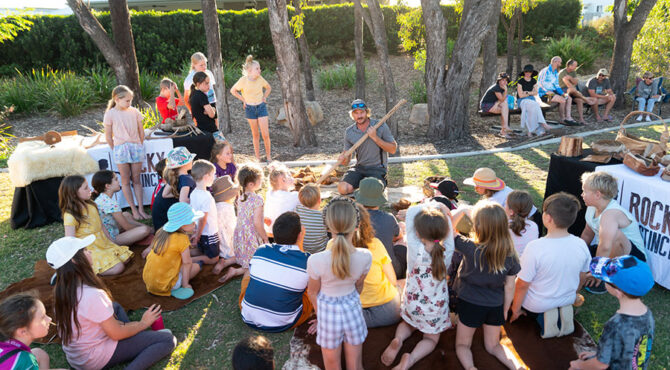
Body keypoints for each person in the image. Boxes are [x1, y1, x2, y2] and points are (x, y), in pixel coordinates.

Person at [48, 236, 176, 369]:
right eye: (85, 250)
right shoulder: (92, 295)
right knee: (167, 340)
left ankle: (133, 336)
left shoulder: (60, 291)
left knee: (116, 307)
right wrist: (143, 323)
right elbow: (116, 334)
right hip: (94, 358)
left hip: (77, 357)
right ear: (75, 261)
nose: (90, 252)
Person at [381, 202, 453, 370]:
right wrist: (444, 211)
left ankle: (398, 340)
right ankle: (411, 359)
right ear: (444, 232)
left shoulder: (414, 249)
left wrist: (433, 203)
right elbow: (449, 238)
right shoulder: (446, 253)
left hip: (413, 305)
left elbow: (412, 212)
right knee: (431, 339)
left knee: (407, 324)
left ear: (417, 232)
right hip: (434, 310)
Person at [510, 193, 591, 338]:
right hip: (567, 299)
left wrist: (515, 309)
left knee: (511, 283)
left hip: (536, 305)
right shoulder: (581, 244)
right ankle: (561, 311)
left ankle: (543, 317)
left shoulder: (535, 247)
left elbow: (522, 284)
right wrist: (572, 293)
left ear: (547, 218)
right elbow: (582, 276)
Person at [452, 202, 521, 370]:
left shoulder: (470, 247)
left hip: (470, 304)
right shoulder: (510, 254)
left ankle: (470, 367)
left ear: (477, 226)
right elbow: (510, 287)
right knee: (494, 346)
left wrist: (461, 210)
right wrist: (505, 309)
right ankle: (516, 367)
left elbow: (449, 231)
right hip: (495, 305)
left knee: (462, 345)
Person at [306, 197, 372, 370]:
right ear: (356, 226)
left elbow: (312, 292)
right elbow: (359, 286)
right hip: (352, 309)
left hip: (327, 313)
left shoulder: (315, 260)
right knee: (355, 365)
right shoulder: (366, 256)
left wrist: (321, 316)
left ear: (327, 227)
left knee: (332, 366)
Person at [569, 255, 655, 370]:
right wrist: (597, 355)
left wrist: (579, 365)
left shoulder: (615, 325)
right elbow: (628, 349)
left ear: (618, 292)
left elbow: (600, 365)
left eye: (605, 279)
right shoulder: (647, 314)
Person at [240, 212, 313, 332]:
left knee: (248, 275)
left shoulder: (261, 250)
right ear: (300, 235)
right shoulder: (308, 260)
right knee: (310, 290)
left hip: (249, 317)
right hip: (285, 322)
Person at [580, 171, 647, 294]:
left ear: (597, 194)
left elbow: (605, 246)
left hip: (634, 261)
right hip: (611, 254)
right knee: (578, 258)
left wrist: (597, 272)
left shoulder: (611, 213)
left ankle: (606, 279)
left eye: (585, 191)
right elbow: (587, 234)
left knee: (614, 236)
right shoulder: (591, 207)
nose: (582, 194)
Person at [59, 175, 133, 276]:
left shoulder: (92, 205)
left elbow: (101, 225)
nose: (89, 189)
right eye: (85, 188)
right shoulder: (70, 215)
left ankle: (100, 266)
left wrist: (111, 242)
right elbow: (70, 240)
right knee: (119, 267)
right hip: (89, 249)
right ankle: (86, 270)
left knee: (126, 258)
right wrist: (76, 259)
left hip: (103, 243)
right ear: (74, 193)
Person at [103, 85, 149, 220]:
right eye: (127, 100)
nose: (130, 103)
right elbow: (108, 135)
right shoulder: (110, 114)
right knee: (125, 180)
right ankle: (133, 210)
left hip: (135, 148)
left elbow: (141, 131)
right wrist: (115, 148)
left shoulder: (134, 111)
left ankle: (141, 208)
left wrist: (139, 144)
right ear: (117, 99)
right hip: (121, 149)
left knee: (137, 179)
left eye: (130, 100)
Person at [353, 203, 401, 328]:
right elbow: (393, 281)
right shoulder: (375, 244)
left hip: (351, 312)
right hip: (388, 313)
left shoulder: (332, 245)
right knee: (404, 284)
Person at [219, 164, 268, 283]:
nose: (262, 181)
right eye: (260, 180)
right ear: (251, 184)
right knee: (257, 262)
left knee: (245, 254)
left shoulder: (240, 197)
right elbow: (257, 223)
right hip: (251, 235)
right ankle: (236, 271)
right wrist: (265, 238)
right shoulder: (257, 199)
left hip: (240, 233)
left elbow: (247, 217)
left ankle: (227, 262)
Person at [143, 202, 203, 300]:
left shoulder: (161, 232)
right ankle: (174, 287)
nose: (194, 224)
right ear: (182, 225)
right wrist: (185, 284)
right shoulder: (182, 239)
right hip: (164, 285)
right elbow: (187, 263)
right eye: (192, 221)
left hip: (149, 283)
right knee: (196, 267)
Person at [337, 99, 397, 195]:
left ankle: (365, 189)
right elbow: (347, 161)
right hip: (359, 168)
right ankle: (362, 189)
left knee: (371, 191)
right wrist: (344, 158)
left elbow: (393, 149)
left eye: (362, 112)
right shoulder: (349, 132)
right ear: (352, 115)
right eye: (356, 113)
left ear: (367, 112)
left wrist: (375, 137)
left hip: (377, 169)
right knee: (342, 188)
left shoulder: (380, 126)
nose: (359, 116)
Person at [354, 177, 405, 279]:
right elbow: (398, 237)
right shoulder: (388, 218)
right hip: (390, 272)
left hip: (360, 272)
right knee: (403, 241)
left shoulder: (351, 219)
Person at [464, 167, 541, 229]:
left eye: (477, 186)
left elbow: (482, 216)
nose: (475, 189)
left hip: (529, 222)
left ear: (487, 187)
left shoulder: (495, 201)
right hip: (531, 217)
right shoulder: (504, 190)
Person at [91, 170, 152, 246]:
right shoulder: (110, 203)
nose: (118, 181)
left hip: (107, 230)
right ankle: (147, 230)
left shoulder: (101, 198)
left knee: (126, 214)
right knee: (145, 230)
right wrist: (146, 228)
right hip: (110, 239)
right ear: (107, 186)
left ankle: (146, 229)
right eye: (116, 179)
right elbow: (127, 227)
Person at [230, 55, 272, 162]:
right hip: (250, 108)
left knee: (265, 134)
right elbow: (233, 90)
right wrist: (243, 100)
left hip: (261, 107)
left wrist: (264, 97)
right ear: (249, 71)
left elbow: (268, 88)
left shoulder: (260, 79)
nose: (259, 70)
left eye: (259, 68)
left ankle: (268, 157)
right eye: (257, 69)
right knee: (255, 134)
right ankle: (257, 158)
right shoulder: (243, 80)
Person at [0, 292, 51, 369]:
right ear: (23, 331)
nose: (50, 319)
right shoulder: (25, 360)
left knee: (40, 354)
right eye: (42, 317)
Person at [152, 147, 197, 231]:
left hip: (160, 223)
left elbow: (164, 195)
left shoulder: (173, 175)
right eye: (190, 159)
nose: (192, 161)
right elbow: (183, 201)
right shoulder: (187, 179)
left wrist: (178, 194)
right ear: (184, 163)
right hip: (170, 226)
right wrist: (194, 199)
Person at [188, 160, 221, 267]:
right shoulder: (206, 196)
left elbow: (193, 214)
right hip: (209, 233)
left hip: (200, 231)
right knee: (214, 258)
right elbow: (203, 218)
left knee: (202, 251)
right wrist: (197, 236)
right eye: (213, 175)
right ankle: (186, 261)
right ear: (206, 177)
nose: (214, 177)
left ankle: (182, 255)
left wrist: (196, 231)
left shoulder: (193, 193)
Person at [183, 52, 220, 139]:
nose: (204, 67)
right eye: (201, 65)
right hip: (200, 108)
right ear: (194, 65)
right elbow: (186, 98)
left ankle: (217, 149)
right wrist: (193, 112)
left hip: (211, 104)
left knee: (215, 130)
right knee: (204, 133)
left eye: (205, 64)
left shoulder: (209, 73)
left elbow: (211, 90)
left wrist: (213, 108)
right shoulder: (189, 79)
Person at [211, 175, 239, 275]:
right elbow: (231, 229)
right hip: (228, 244)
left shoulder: (216, 206)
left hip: (218, 243)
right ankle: (227, 262)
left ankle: (225, 260)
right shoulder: (228, 208)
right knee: (249, 252)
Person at [538, 56, 577, 125]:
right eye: (560, 62)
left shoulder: (555, 72)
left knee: (568, 98)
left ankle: (568, 117)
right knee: (562, 100)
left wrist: (562, 93)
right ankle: (562, 119)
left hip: (552, 92)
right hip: (543, 94)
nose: (561, 64)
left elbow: (557, 86)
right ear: (555, 62)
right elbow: (539, 83)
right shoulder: (545, 71)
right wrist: (546, 91)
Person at [264, 161, 299, 236]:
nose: (292, 177)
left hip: (269, 232)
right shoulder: (294, 196)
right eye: (289, 175)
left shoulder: (269, 194)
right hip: (284, 235)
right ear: (283, 180)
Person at [516, 64, 552, 136]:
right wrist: (530, 93)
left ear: (532, 73)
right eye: (526, 72)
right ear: (524, 72)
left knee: (532, 110)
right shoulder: (520, 82)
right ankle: (543, 124)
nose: (528, 73)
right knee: (535, 105)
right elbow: (520, 95)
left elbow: (535, 93)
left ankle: (530, 131)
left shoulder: (533, 81)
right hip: (522, 100)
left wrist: (527, 92)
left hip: (531, 100)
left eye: (529, 72)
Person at [558, 59, 597, 125]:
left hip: (571, 91)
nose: (576, 67)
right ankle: (585, 99)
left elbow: (575, 82)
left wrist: (570, 77)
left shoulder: (573, 72)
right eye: (575, 66)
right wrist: (573, 86)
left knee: (579, 100)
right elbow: (568, 85)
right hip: (562, 90)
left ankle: (581, 119)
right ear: (569, 65)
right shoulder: (563, 73)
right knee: (572, 91)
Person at [295, 183, 329, 254]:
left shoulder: (297, 209)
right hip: (319, 252)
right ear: (319, 200)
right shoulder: (324, 217)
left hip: (301, 250)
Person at [505, 190, 539, 256]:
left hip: (509, 264)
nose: (504, 206)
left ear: (511, 211)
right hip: (529, 263)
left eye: (506, 204)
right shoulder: (534, 226)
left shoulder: (503, 226)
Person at [480, 72, 513, 138]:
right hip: (486, 105)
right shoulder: (496, 87)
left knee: (504, 108)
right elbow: (501, 99)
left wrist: (496, 104)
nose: (505, 82)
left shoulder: (501, 87)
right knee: (504, 109)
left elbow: (502, 100)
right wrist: (506, 91)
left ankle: (504, 130)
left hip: (492, 104)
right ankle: (504, 129)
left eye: (506, 80)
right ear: (499, 80)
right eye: (503, 80)